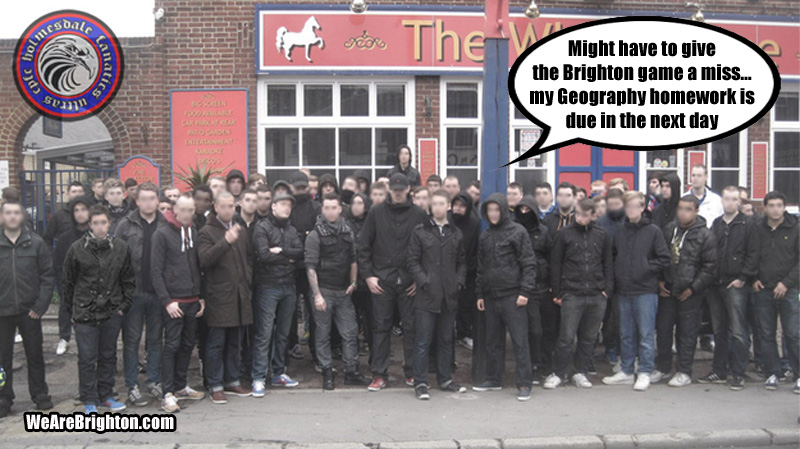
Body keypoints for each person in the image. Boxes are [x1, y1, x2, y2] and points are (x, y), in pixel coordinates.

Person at [63, 204, 135, 414]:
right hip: (85, 312)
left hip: (111, 311)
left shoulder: (120, 247)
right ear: (89, 225)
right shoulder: (77, 248)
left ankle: (106, 395)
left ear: (109, 224)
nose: (100, 227)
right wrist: (73, 310)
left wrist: (123, 307)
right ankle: (88, 398)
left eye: (103, 222)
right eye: (96, 223)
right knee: (86, 358)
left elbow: (128, 279)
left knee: (108, 355)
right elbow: (68, 282)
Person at [358, 173, 427, 391]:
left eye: (401, 189)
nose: (398, 193)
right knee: (380, 327)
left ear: (408, 190)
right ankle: (379, 374)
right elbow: (363, 247)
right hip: (381, 280)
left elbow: (426, 248)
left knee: (411, 328)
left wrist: (420, 278)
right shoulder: (376, 213)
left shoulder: (418, 214)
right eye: (395, 189)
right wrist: (368, 275)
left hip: (408, 280)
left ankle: (412, 373)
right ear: (391, 191)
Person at [602, 192, 670, 391]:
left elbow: (664, 258)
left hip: (645, 290)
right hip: (624, 290)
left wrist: (645, 268)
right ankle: (626, 370)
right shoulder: (621, 231)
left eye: (634, 206)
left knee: (646, 334)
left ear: (642, 207)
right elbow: (614, 256)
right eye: (627, 207)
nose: (630, 210)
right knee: (626, 333)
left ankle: (645, 371)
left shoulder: (653, 231)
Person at [472, 193, 535, 401]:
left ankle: (524, 383)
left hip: (513, 296)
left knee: (520, 342)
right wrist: (480, 293)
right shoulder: (486, 236)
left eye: (496, 210)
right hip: (491, 297)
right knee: (493, 341)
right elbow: (480, 268)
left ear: (503, 210)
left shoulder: (518, 232)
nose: (493, 214)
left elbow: (528, 263)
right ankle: (494, 378)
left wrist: (525, 291)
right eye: (489, 210)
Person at [545, 198, 613, 390]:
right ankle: (558, 372)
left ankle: (580, 372)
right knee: (566, 337)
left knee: (589, 337)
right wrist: (557, 292)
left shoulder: (602, 235)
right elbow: (556, 264)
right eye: (578, 214)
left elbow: (607, 263)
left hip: (596, 293)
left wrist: (607, 290)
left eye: (585, 215)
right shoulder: (564, 234)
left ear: (593, 215)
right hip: (572, 293)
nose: (580, 218)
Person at [305, 193, 370, 390]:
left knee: (350, 333)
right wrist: (317, 295)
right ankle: (327, 371)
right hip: (323, 291)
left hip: (344, 292)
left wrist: (353, 282)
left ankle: (351, 372)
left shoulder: (347, 231)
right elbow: (310, 267)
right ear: (322, 210)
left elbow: (353, 259)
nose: (331, 211)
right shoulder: (315, 235)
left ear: (340, 209)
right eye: (327, 208)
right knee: (322, 334)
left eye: (334, 207)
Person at [407, 190, 467, 400]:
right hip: (426, 296)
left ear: (449, 206)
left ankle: (445, 379)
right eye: (435, 204)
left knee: (445, 340)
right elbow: (412, 261)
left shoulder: (456, 233)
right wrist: (424, 281)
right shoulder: (420, 231)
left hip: (449, 296)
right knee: (423, 341)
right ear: (430, 207)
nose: (438, 207)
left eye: (442, 204)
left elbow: (462, 262)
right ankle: (421, 382)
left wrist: (458, 281)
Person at [152, 194, 206, 413]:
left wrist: (200, 295)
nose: (187, 214)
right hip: (174, 302)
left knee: (186, 345)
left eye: (191, 210)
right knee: (172, 346)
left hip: (192, 299)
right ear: (175, 210)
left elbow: (195, 266)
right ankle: (167, 393)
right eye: (183, 210)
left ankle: (181, 385)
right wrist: (167, 301)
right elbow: (156, 271)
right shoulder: (162, 234)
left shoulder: (192, 232)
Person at [654, 196, 717, 387]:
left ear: (696, 211)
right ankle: (663, 367)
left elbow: (710, 267)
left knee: (687, 333)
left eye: (688, 209)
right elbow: (660, 255)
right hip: (668, 289)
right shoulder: (669, 229)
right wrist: (660, 280)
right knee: (663, 331)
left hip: (690, 293)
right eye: (681, 208)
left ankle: (684, 371)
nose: (683, 213)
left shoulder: (705, 235)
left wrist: (693, 288)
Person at [0, 200, 55, 418]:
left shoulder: (35, 243)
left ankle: (40, 395)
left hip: (29, 310)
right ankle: (4, 398)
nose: (12, 216)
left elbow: (47, 277)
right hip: (2, 311)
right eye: (8, 213)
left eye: (16, 213)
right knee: (2, 360)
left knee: (35, 355)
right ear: (2, 217)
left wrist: (40, 306)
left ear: (22, 217)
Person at [198, 191, 253, 404]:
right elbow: (204, 259)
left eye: (232, 206)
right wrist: (226, 242)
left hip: (240, 294)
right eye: (225, 206)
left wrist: (247, 278)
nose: (229, 210)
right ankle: (215, 384)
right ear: (216, 207)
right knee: (216, 343)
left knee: (234, 342)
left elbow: (248, 259)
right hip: (219, 296)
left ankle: (232, 380)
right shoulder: (206, 232)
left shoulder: (240, 230)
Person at [115, 182, 166, 407]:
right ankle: (132, 385)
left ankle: (153, 380)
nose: (148, 202)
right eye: (143, 198)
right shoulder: (125, 225)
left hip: (158, 292)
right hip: (133, 292)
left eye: (151, 198)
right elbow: (115, 258)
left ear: (157, 200)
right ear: (137, 201)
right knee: (132, 340)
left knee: (155, 339)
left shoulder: (165, 224)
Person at [251, 192, 303, 397]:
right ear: (273, 207)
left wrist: (280, 251)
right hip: (268, 286)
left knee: (283, 333)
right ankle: (258, 377)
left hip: (289, 286)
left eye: (289, 205)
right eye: (282, 204)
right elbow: (262, 255)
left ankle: (278, 372)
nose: (286, 208)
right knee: (264, 333)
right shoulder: (262, 227)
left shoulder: (291, 229)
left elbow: (301, 253)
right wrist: (288, 257)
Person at [701, 186, 753, 390]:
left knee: (739, 331)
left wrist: (742, 278)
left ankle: (739, 373)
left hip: (736, 285)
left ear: (739, 202)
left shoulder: (747, 225)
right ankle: (719, 370)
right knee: (719, 330)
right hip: (716, 284)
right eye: (727, 199)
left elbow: (752, 254)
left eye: (734, 199)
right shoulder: (717, 224)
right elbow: (712, 251)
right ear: (721, 201)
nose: (730, 203)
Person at [747, 191, 799, 394]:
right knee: (766, 334)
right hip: (763, 289)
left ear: (784, 207)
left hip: (789, 289)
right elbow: (752, 255)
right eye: (772, 205)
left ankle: (797, 374)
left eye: (779, 205)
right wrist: (754, 278)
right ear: (765, 208)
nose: (776, 209)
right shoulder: (757, 229)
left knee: (793, 335)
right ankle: (772, 372)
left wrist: (786, 283)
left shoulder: (795, 228)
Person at [514, 195, 554, 383]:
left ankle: (545, 365)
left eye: (527, 210)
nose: (524, 213)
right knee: (533, 329)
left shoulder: (544, 231)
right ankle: (533, 365)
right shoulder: (515, 231)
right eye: (520, 210)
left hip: (544, 286)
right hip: (525, 286)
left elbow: (552, 257)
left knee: (547, 329)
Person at [287, 170, 322, 369]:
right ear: (292, 187)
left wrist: (300, 240)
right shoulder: (287, 207)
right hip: (290, 269)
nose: (300, 190)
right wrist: (304, 236)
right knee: (288, 314)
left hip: (310, 268)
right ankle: (290, 348)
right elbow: (287, 237)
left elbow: (316, 236)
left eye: (303, 187)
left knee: (315, 315)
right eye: (297, 187)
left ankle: (317, 355)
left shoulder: (316, 208)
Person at [52, 196, 91, 356]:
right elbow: (59, 264)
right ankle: (64, 338)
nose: (80, 213)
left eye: (83, 209)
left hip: (92, 288)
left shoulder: (98, 234)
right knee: (65, 308)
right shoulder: (65, 238)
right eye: (76, 210)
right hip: (71, 285)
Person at [596, 188, 626, 366]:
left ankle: (623, 348)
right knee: (607, 317)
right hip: (605, 276)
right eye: (611, 204)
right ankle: (610, 349)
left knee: (622, 317)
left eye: (617, 204)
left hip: (624, 276)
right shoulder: (601, 222)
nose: (614, 207)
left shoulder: (627, 221)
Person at [346, 192, 373, 361]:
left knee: (371, 319)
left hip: (369, 278)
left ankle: (373, 352)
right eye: (353, 203)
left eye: (360, 203)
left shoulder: (372, 224)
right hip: (350, 280)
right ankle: (352, 356)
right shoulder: (345, 224)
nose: (356, 206)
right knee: (351, 320)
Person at [451, 192, 479, 351]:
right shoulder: (448, 221)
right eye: (455, 205)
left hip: (468, 272)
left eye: (462, 206)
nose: (458, 209)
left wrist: (466, 271)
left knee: (465, 307)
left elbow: (474, 250)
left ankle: (465, 334)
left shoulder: (474, 224)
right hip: (446, 270)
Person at [43, 180, 85, 248]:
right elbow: (47, 238)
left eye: (80, 191)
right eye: (74, 192)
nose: (77, 194)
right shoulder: (58, 215)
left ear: (84, 193)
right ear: (67, 194)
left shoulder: (91, 213)